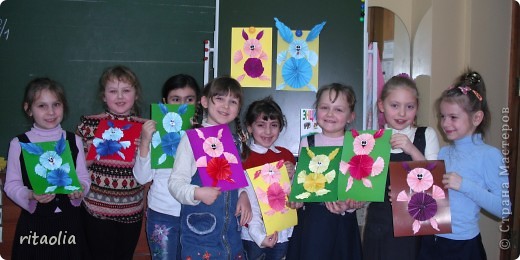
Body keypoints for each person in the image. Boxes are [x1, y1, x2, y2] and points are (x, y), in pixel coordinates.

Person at [418, 70, 510, 259]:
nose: (445, 123)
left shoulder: (490, 156)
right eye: (442, 116)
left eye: (453, 117)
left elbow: (504, 209)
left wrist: (464, 185)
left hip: (463, 246)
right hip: (432, 241)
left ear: (476, 118)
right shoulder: (443, 153)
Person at [4, 78, 90, 259]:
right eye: (42, 106)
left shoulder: (73, 140)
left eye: (56, 104)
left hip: (70, 222)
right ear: (28, 109)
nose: (51, 112)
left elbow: (83, 177)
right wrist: (29, 195)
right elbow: (11, 184)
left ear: (63, 106)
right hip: (35, 223)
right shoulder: (19, 143)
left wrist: (80, 190)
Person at [168, 76, 252, 259]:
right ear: (205, 101)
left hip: (231, 237)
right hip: (201, 236)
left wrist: (244, 194)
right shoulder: (192, 139)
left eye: (233, 101)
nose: (226, 106)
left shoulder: (234, 141)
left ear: (238, 109)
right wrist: (197, 193)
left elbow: (237, 181)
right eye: (220, 98)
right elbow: (175, 183)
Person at [362, 73, 440, 260]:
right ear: (382, 106)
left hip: (415, 224)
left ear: (417, 108)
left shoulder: (425, 135)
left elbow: (435, 183)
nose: (402, 113)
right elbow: (361, 187)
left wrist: (411, 149)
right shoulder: (370, 140)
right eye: (394, 105)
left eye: (409, 107)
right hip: (379, 225)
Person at [76, 65, 147, 259]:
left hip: (132, 210)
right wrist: (90, 155)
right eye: (113, 91)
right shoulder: (89, 125)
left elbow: (149, 171)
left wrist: (145, 147)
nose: (120, 97)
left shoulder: (146, 128)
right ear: (103, 96)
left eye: (126, 90)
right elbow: (76, 168)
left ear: (136, 95)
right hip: (96, 210)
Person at [286, 83, 364, 260]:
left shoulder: (358, 144)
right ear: (315, 112)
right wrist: (296, 199)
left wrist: (354, 203)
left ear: (351, 116)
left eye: (338, 109)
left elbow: (362, 187)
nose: (330, 114)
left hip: (343, 222)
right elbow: (301, 183)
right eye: (324, 108)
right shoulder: (309, 142)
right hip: (313, 221)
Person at [133, 74, 200, 259]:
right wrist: (145, 142)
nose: (182, 105)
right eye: (176, 99)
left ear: (198, 102)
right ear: (165, 101)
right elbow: (142, 177)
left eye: (189, 99)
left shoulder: (207, 133)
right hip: (163, 213)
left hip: (196, 213)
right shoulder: (156, 132)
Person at [240, 96, 296, 260]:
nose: (268, 131)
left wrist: (292, 176)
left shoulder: (285, 156)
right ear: (250, 128)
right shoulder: (242, 157)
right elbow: (244, 196)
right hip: (252, 234)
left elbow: (292, 195)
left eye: (274, 125)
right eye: (260, 125)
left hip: (282, 231)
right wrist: (257, 233)